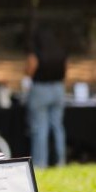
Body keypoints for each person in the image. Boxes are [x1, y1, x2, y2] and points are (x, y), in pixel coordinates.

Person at [26, 25, 68, 168]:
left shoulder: (37, 52)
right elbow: (66, 70)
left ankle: (40, 163)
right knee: (58, 126)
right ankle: (61, 160)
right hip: (58, 88)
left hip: (41, 89)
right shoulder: (60, 51)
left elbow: (30, 69)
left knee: (40, 128)